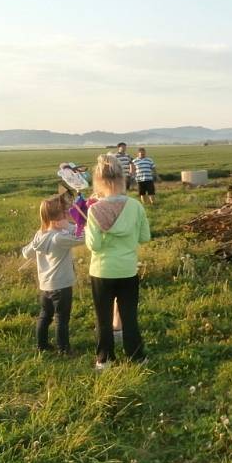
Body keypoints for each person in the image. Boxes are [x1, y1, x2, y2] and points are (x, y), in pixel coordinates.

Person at [86, 154, 151, 370]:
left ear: (98, 180)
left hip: (101, 271)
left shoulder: (94, 209)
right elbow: (144, 237)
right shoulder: (135, 206)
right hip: (127, 270)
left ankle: (104, 359)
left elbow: (94, 246)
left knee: (103, 319)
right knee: (129, 317)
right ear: (122, 178)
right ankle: (136, 356)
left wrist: (88, 227)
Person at [22, 194, 84, 355]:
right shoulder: (59, 238)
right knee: (62, 319)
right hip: (62, 285)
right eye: (66, 214)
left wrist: (34, 247)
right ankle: (64, 350)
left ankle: (41, 345)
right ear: (58, 219)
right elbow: (83, 237)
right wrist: (71, 226)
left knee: (45, 316)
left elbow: (26, 253)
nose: (69, 216)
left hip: (46, 286)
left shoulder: (40, 235)